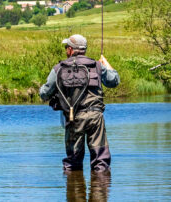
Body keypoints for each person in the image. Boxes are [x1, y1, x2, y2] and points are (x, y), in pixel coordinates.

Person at [39, 34, 120, 172]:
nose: (66, 50)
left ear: (70, 50)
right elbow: (114, 81)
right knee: (101, 162)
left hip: (73, 118)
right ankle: (100, 189)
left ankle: (74, 189)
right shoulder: (98, 66)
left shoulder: (59, 68)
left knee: (73, 162)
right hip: (95, 117)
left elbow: (44, 94)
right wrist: (107, 64)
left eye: (66, 47)